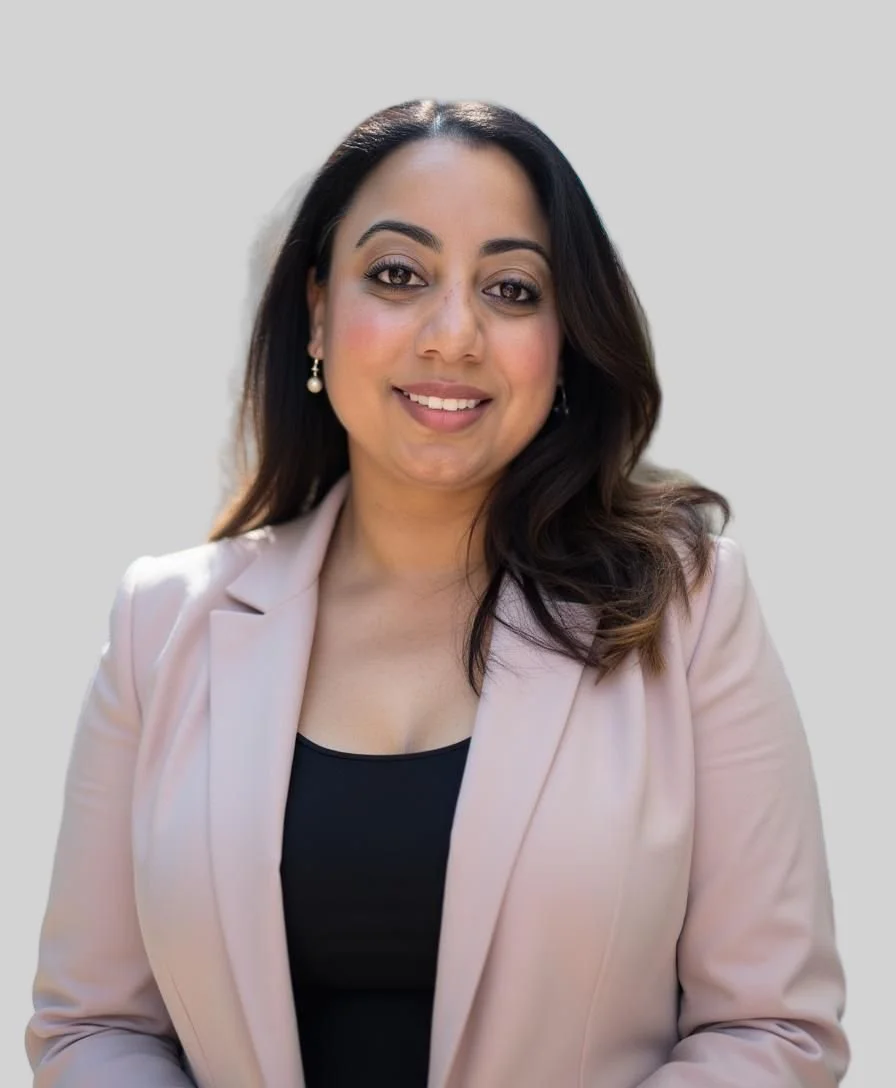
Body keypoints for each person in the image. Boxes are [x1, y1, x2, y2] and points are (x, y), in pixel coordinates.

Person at [26, 98, 849, 1088]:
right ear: (319, 309)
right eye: (397, 275)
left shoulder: (687, 605)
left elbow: (769, 1028)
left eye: (509, 288)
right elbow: (92, 1026)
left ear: (565, 341)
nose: (453, 333)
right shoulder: (162, 623)